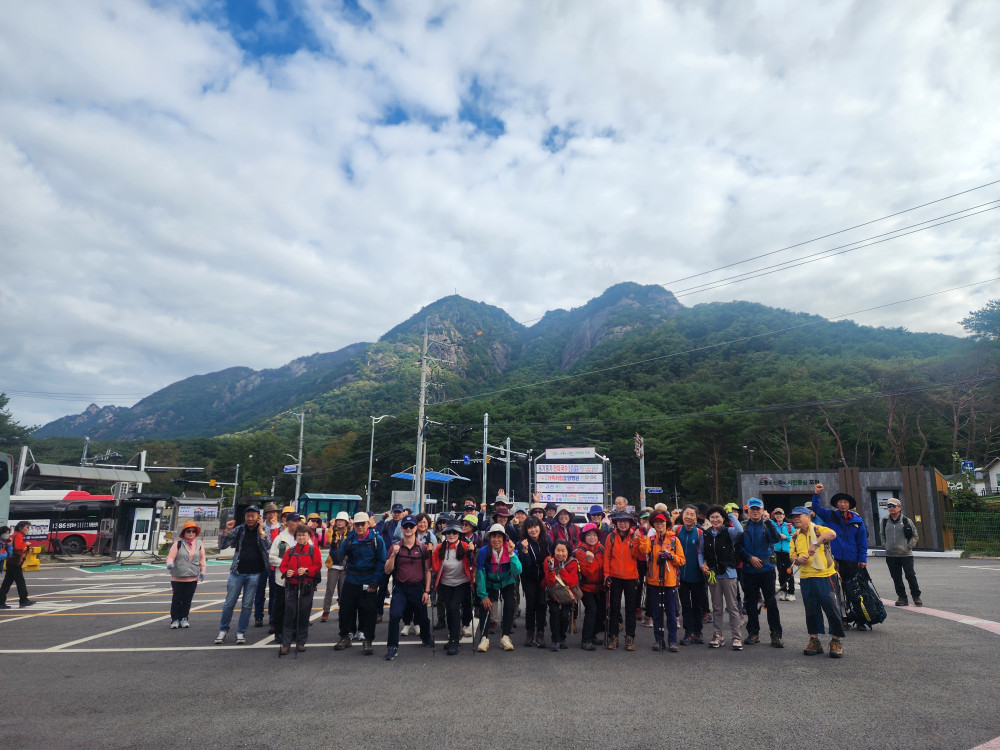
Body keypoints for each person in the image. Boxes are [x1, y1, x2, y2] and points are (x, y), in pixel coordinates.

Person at [788, 506, 844, 658]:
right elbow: (792, 556)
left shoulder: (819, 529)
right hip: (806, 577)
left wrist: (815, 543)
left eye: (799, 516)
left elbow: (832, 534)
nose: (796, 519)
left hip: (826, 576)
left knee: (832, 608)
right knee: (811, 610)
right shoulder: (794, 535)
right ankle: (814, 640)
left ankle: (835, 641)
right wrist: (797, 560)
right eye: (794, 516)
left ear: (808, 517)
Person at [810, 484, 869, 622]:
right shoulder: (830, 515)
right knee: (835, 591)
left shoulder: (857, 521)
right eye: (840, 502)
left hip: (852, 560)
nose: (843, 505)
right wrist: (817, 494)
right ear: (836, 504)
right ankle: (840, 619)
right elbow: (816, 509)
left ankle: (859, 619)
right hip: (833, 560)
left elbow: (862, 541)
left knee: (853, 591)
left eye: (845, 502)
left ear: (849, 505)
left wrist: (862, 559)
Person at [216, 505, 271, 645]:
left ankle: (240, 632)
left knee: (247, 605)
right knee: (229, 603)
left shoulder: (264, 530)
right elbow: (222, 546)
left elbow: (267, 546)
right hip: (237, 572)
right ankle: (223, 630)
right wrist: (227, 530)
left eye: (253, 516)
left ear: (259, 517)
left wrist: (261, 531)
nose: (250, 518)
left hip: (255, 573)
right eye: (248, 516)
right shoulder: (239, 529)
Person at [334, 512, 387, 656]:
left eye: (362, 524)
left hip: (368, 580)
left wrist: (375, 581)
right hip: (351, 580)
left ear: (368, 524)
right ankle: (345, 636)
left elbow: (381, 561)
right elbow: (338, 557)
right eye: (357, 524)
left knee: (369, 610)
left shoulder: (377, 540)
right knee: (345, 610)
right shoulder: (349, 539)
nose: (360, 527)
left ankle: (367, 640)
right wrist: (334, 545)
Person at [383, 515, 435, 661]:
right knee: (395, 615)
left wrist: (427, 591)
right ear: (401, 528)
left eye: (411, 526)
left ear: (415, 528)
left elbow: (427, 570)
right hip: (401, 588)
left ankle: (426, 637)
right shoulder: (395, 547)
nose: (408, 529)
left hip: (418, 588)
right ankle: (392, 647)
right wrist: (393, 555)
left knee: (423, 617)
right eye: (405, 526)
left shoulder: (422, 547)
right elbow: (387, 570)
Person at [737, 498, 783, 648]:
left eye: (758, 509)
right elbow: (738, 547)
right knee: (750, 603)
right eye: (753, 509)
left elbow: (775, 539)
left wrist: (769, 522)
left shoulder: (767, 525)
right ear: (748, 511)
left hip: (767, 569)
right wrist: (749, 558)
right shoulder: (743, 526)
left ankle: (776, 634)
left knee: (771, 602)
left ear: (763, 511)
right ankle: (753, 633)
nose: (755, 511)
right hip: (748, 570)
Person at [603, 510, 650, 651]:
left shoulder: (635, 535)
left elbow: (639, 553)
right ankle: (613, 636)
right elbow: (607, 557)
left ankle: (630, 637)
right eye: (620, 521)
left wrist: (639, 538)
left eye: (625, 521)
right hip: (615, 577)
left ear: (630, 523)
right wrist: (606, 575)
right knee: (614, 609)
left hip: (631, 578)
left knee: (630, 609)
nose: (622, 524)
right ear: (616, 522)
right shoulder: (611, 537)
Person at [701, 505, 744, 650]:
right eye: (712, 517)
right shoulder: (706, 534)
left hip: (729, 573)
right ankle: (717, 636)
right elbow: (701, 552)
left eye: (718, 517)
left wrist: (730, 514)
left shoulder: (729, 531)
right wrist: (702, 564)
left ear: (723, 518)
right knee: (717, 607)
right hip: (713, 575)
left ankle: (737, 637)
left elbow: (740, 531)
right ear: (709, 519)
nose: (715, 520)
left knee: (732, 607)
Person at [475, 523, 522, 652]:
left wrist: (511, 554)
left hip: (506, 581)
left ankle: (505, 637)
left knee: (510, 605)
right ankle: (484, 638)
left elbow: (517, 570)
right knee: (484, 606)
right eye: (493, 536)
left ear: (504, 538)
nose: (496, 540)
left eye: (499, 537)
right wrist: (484, 596)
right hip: (489, 581)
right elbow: (480, 574)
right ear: (489, 538)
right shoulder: (484, 551)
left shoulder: (509, 549)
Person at [278, 523, 322, 655]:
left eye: (304, 535)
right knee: (289, 613)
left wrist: (307, 570)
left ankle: (301, 641)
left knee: (304, 613)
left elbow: (318, 566)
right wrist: (286, 572)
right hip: (292, 586)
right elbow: (283, 565)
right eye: (299, 535)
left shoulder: (314, 550)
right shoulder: (290, 551)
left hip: (306, 587)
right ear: (295, 537)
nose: (301, 537)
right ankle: (286, 643)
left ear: (309, 536)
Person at [433, 520, 475, 655]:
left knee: (453, 607)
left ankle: (455, 640)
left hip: (462, 583)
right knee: (449, 610)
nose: (451, 535)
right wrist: (429, 553)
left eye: (455, 532)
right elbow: (434, 567)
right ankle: (452, 636)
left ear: (459, 534)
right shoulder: (440, 548)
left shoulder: (465, 546)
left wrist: (472, 552)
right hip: (446, 583)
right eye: (449, 532)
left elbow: (473, 565)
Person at [646, 512, 685, 652]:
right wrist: (642, 537)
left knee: (671, 613)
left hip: (669, 582)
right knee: (656, 613)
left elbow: (681, 560)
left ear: (666, 524)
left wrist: (671, 556)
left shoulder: (674, 540)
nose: (659, 525)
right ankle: (659, 640)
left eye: (662, 522)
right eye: (656, 522)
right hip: (654, 581)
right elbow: (642, 551)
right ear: (653, 525)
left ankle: (672, 641)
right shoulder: (650, 540)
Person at [674, 505, 706, 645]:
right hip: (681, 576)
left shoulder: (700, 533)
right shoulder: (676, 530)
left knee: (698, 605)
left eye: (692, 514)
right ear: (682, 515)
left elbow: (704, 553)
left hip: (697, 575)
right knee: (686, 606)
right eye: (686, 514)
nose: (689, 517)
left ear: (696, 517)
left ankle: (698, 631)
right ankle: (689, 632)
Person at [267, 511, 301, 645]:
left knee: (296, 607)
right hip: (282, 579)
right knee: (280, 606)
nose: (297, 523)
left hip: (299, 579)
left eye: (299, 521)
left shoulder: (304, 536)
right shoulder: (280, 538)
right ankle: (279, 631)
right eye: (294, 521)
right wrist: (287, 564)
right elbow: (272, 557)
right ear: (287, 522)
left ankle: (294, 631)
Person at [881, 498, 922, 606]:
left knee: (910, 575)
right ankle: (902, 597)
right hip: (891, 555)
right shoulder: (885, 521)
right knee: (896, 577)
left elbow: (915, 535)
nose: (891, 508)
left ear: (899, 508)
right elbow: (882, 534)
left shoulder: (906, 521)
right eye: (889, 506)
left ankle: (916, 596)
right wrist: (885, 545)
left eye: (894, 506)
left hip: (905, 554)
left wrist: (908, 546)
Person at [166, 521, 206, 629]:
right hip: (178, 577)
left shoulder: (199, 544)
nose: (191, 533)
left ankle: (184, 618)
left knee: (187, 600)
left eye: (193, 531)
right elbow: (170, 557)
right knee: (177, 599)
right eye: (188, 531)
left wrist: (202, 572)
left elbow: (202, 559)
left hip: (192, 577)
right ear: (184, 532)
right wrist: (169, 564)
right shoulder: (177, 544)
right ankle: (175, 620)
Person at [543, 539, 580, 651]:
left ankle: (562, 638)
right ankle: (555, 639)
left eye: (563, 551)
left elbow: (572, 582)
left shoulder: (573, 562)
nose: (560, 553)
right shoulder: (549, 560)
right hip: (553, 593)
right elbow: (550, 582)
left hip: (567, 594)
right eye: (557, 550)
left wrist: (563, 570)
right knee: (554, 613)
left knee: (564, 615)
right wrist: (551, 570)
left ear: (568, 551)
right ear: (553, 550)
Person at [519, 516, 549, 648]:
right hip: (529, 578)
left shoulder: (547, 540)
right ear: (526, 529)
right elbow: (525, 565)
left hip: (543, 577)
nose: (533, 530)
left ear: (540, 527)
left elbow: (551, 556)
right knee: (530, 605)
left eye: (535, 526)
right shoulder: (523, 542)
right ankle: (530, 632)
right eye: (530, 527)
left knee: (542, 604)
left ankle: (540, 632)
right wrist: (525, 551)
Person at [574, 523, 605, 650]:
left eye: (594, 535)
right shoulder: (580, 552)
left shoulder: (601, 548)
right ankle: (586, 640)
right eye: (589, 535)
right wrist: (590, 561)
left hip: (600, 587)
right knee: (591, 611)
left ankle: (593, 635)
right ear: (584, 537)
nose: (592, 538)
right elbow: (587, 573)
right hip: (586, 588)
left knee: (600, 612)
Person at [254, 502, 281, 629]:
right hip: (261, 563)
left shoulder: (281, 528)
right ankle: (258, 616)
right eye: (269, 513)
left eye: (274, 512)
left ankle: (272, 618)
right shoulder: (260, 527)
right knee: (259, 591)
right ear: (265, 515)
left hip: (275, 564)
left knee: (274, 592)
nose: (272, 515)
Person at [321, 511, 351, 622]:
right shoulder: (332, 532)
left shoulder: (349, 533)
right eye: (338, 520)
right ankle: (326, 611)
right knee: (330, 589)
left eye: (342, 520)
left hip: (345, 565)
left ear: (346, 522)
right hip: (333, 565)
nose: (340, 522)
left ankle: (342, 611)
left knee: (343, 591)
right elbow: (328, 540)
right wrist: (331, 527)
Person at [0, 521, 34, 609]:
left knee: (7, 583)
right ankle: (23, 600)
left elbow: (14, 548)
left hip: (11, 562)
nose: (28, 529)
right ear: (20, 528)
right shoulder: (18, 535)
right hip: (15, 563)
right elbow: (18, 547)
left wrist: (25, 550)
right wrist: (26, 544)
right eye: (26, 527)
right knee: (20, 582)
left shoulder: (15, 535)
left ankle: (1, 601)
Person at [771, 508, 795, 601]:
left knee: (789, 572)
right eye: (777, 514)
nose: (779, 516)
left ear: (783, 516)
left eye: (780, 514)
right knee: (780, 572)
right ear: (774, 516)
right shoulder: (772, 526)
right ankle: (783, 591)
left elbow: (795, 537)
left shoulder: (789, 526)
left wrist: (786, 537)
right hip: (777, 551)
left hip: (787, 552)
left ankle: (791, 592)